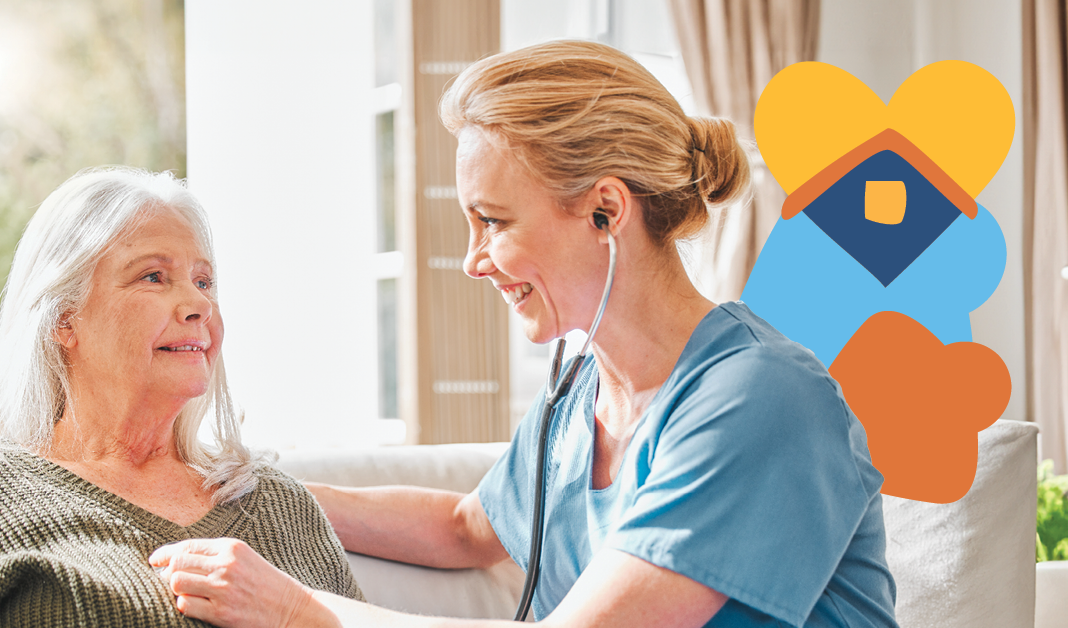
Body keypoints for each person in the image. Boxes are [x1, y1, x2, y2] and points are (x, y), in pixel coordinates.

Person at [151, 41, 899, 628]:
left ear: (606, 210)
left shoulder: (762, 400)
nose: (474, 260)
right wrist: (259, 489)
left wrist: (294, 611)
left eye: (493, 221)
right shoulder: (581, 398)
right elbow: (465, 526)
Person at [0, 167, 363, 627]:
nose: (198, 304)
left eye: (204, 281)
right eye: (154, 276)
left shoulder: (281, 505)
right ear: (64, 319)